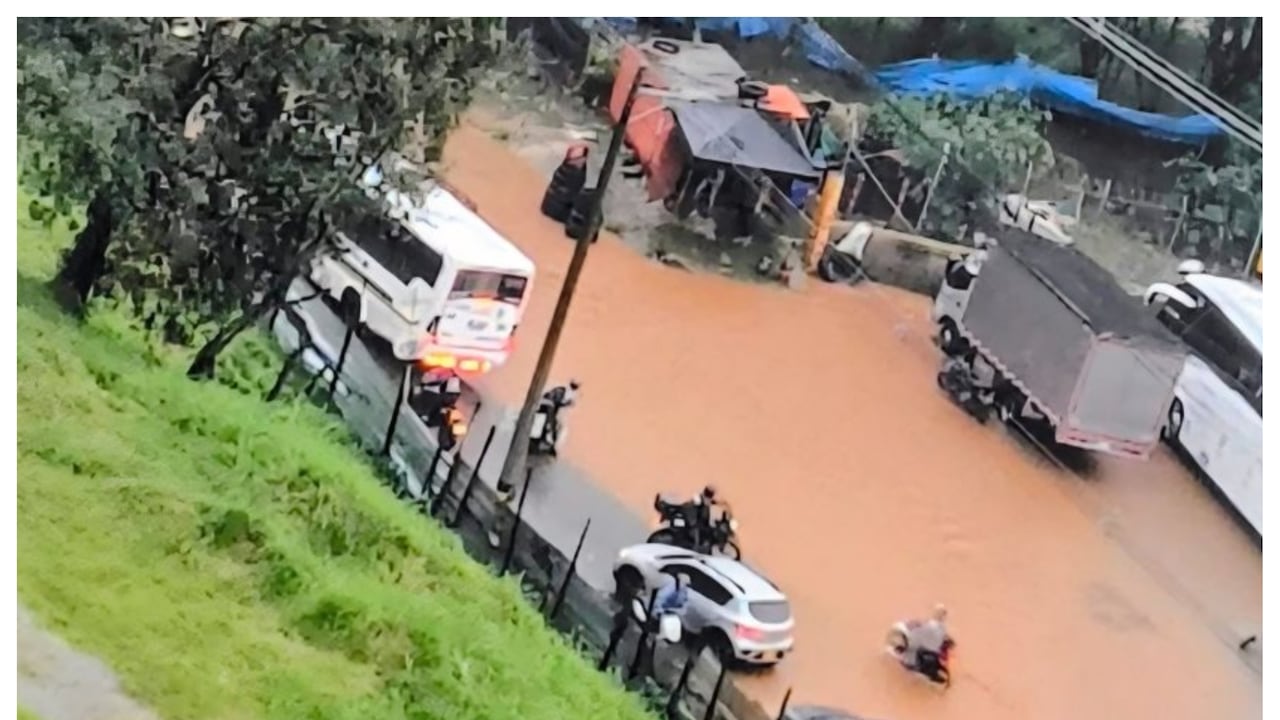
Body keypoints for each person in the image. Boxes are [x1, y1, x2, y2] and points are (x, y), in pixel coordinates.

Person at [905, 604, 950, 673]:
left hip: (927, 650)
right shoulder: (943, 627)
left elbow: (920, 628)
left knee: (913, 646)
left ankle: (910, 665)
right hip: (935, 652)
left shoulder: (931, 624)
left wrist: (914, 625)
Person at [537, 379, 580, 449]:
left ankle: (548, 440)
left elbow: (559, 403)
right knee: (550, 424)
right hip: (550, 408)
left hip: (553, 410)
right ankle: (546, 440)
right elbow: (554, 401)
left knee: (553, 425)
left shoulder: (565, 392)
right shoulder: (560, 391)